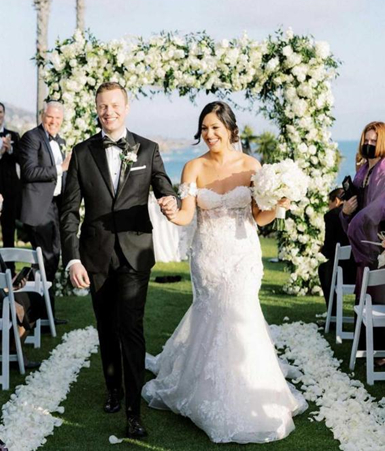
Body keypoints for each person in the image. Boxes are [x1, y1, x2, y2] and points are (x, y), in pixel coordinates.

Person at [143, 101, 307, 444]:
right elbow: (188, 215)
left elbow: (258, 218)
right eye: (204, 128)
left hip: (243, 254)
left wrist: (277, 205)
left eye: (215, 127)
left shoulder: (251, 166)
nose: (209, 134)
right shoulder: (193, 167)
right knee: (213, 316)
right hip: (208, 256)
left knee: (242, 316)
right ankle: (203, 389)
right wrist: (171, 212)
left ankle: (250, 392)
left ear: (231, 129)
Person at [60, 82, 178, 439]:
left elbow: (163, 186)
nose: (108, 111)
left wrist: (169, 200)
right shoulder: (81, 153)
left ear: (126, 108)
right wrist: (73, 260)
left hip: (135, 254)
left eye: (114, 105)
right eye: (102, 106)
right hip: (95, 256)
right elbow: (68, 213)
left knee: (131, 326)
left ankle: (134, 409)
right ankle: (113, 388)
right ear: (97, 109)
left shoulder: (148, 149)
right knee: (106, 327)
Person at [19, 101, 71, 324]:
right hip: (39, 209)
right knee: (45, 259)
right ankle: (35, 312)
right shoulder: (31, 138)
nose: (54, 122)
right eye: (51, 117)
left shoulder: (60, 141)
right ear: (42, 116)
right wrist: (61, 168)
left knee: (52, 259)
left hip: (56, 207)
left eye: (58, 119)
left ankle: (46, 314)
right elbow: (29, 172)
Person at [340, 121, 385, 359]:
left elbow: (380, 206)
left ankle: (379, 351)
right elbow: (353, 200)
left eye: (373, 141)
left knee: (377, 294)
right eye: (366, 140)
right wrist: (346, 211)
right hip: (364, 244)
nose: (369, 144)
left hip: (376, 242)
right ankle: (365, 345)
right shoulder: (363, 171)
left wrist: (357, 224)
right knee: (364, 292)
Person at [318, 188, 356, 320]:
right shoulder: (360, 213)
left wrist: (322, 249)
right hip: (362, 272)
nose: (329, 206)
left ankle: (333, 315)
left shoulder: (331, 215)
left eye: (330, 202)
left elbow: (329, 251)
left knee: (323, 269)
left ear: (337, 200)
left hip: (343, 272)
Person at [0, 103, 22, 274]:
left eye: (0, 112)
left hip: (9, 190)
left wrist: (10, 149)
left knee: (9, 230)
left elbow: (21, 158)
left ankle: (10, 270)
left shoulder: (13, 135)